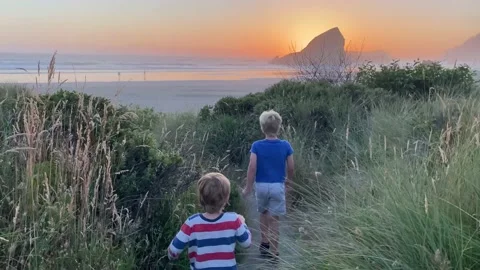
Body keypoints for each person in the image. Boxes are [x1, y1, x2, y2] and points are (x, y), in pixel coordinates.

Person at [168, 172, 252, 269]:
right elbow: (247, 243)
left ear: (201, 197)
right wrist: (242, 222)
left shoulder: (192, 223)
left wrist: (172, 256)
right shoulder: (234, 220)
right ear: (226, 198)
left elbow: (173, 251)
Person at [242, 109, 294, 260]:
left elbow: (252, 167)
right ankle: (275, 251)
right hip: (278, 186)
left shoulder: (257, 146)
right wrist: (289, 183)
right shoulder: (285, 145)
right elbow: (291, 167)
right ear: (279, 127)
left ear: (262, 128)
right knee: (274, 218)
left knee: (263, 213)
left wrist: (248, 187)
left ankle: (264, 243)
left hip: (261, 186)